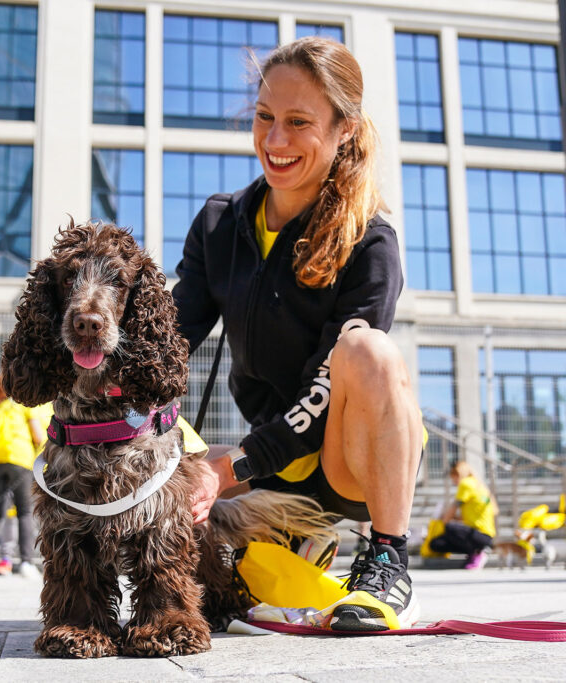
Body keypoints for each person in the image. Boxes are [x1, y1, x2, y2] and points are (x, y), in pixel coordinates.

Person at [173, 37, 424, 631]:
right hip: (269, 462)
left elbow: (321, 391)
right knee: (157, 483)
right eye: (265, 117)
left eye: (299, 122)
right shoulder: (219, 224)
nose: (275, 140)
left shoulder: (370, 242)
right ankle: (298, 541)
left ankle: (387, 559)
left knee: (367, 350)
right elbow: (167, 341)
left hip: (346, 463)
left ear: (345, 129)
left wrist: (229, 470)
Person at [0, 376, 51, 579]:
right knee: (24, 511)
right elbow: (37, 435)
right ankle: (26, 562)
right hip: (19, 460)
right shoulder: (22, 402)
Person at [429, 461, 496, 569]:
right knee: (437, 543)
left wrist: (443, 521)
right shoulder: (479, 485)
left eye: (453, 477)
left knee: (449, 528)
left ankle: (478, 552)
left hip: (480, 534)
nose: (453, 481)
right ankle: (473, 552)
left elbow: (455, 506)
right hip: (486, 536)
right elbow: (480, 513)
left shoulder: (465, 484)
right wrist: (456, 519)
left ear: (457, 474)